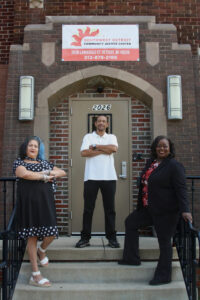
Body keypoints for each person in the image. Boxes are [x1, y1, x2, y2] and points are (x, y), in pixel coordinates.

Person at [118, 135, 192, 285]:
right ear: (154, 148)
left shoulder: (174, 166)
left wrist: (185, 210)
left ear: (170, 148)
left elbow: (181, 189)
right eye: (159, 146)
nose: (162, 148)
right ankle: (131, 258)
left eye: (165, 146)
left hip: (166, 211)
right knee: (131, 222)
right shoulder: (151, 163)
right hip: (149, 208)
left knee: (164, 243)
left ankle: (164, 275)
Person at [13, 136, 66, 287]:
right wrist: (44, 176)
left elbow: (62, 172)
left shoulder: (44, 163)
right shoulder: (19, 162)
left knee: (51, 233)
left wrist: (47, 172)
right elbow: (24, 174)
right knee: (32, 236)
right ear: (25, 148)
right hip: (29, 204)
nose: (33, 148)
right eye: (30, 145)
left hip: (45, 202)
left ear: (39, 149)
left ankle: (41, 251)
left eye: (36, 146)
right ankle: (35, 275)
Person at [75, 115, 120, 248]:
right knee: (88, 209)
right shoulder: (88, 137)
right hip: (91, 177)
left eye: (104, 121)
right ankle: (85, 238)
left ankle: (112, 238)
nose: (101, 123)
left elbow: (114, 149)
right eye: (99, 121)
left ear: (107, 124)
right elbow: (83, 153)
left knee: (110, 209)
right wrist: (104, 150)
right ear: (95, 123)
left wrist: (95, 147)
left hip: (109, 177)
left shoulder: (112, 137)